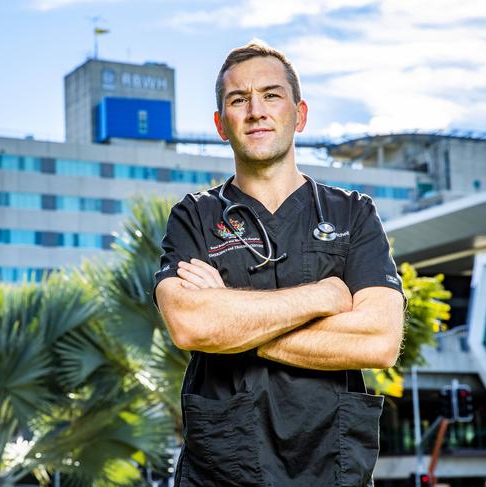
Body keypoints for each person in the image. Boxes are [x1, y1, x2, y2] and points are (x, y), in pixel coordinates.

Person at [153, 40, 406, 487]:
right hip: (221, 473)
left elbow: (378, 340)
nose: (256, 111)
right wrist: (323, 296)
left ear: (299, 114)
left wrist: (234, 328)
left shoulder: (352, 214)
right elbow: (192, 326)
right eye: (238, 99)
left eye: (271, 95)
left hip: (333, 469)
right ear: (220, 124)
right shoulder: (194, 217)